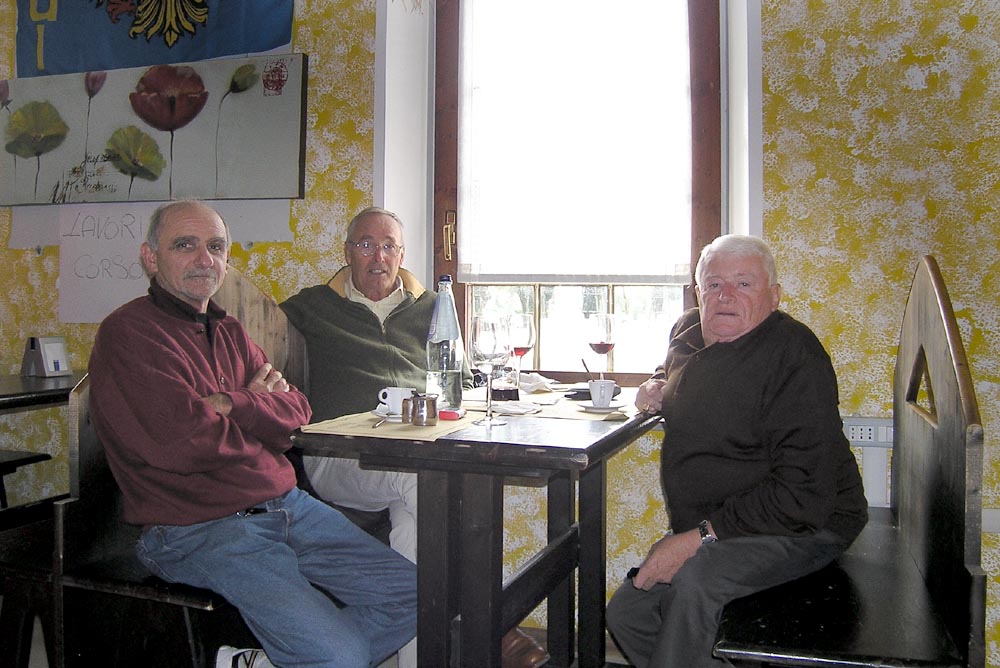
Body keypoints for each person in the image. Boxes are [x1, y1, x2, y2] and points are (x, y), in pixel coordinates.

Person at [88, 200, 417, 668]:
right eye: (185, 245)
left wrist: (229, 404)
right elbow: (184, 444)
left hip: (286, 507)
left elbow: (297, 414)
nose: (204, 259)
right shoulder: (129, 335)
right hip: (200, 527)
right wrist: (258, 414)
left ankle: (263, 662)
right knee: (339, 655)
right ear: (150, 257)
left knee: (419, 595)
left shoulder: (229, 331)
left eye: (216, 246)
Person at [280, 206, 550, 668]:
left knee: (420, 525)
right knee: (428, 477)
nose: (378, 257)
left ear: (402, 254)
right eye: (366, 245)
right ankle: (493, 624)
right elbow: (242, 336)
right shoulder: (312, 307)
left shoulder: (432, 308)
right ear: (347, 252)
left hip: (415, 449)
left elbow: (463, 378)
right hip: (340, 456)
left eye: (388, 246)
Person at [605, 234, 868, 668]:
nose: (725, 295)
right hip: (721, 520)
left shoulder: (795, 356)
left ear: (774, 296)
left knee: (695, 585)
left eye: (744, 284)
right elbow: (674, 366)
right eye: (713, 284)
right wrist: (654, 385)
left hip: (804, 525)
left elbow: (802, 495)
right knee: (628, 612)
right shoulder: (689, 329)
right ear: (698, 291)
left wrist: (697, 539)